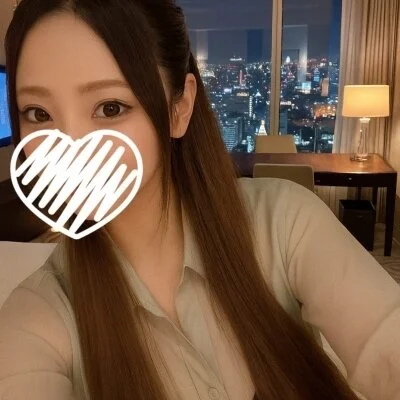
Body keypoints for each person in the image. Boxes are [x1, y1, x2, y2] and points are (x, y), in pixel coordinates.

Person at [0, 0, 399, 399]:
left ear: (180, 108)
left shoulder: (284, 223)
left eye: (110, 108)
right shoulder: (39, 313)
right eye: (38, 114)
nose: (69, 149)